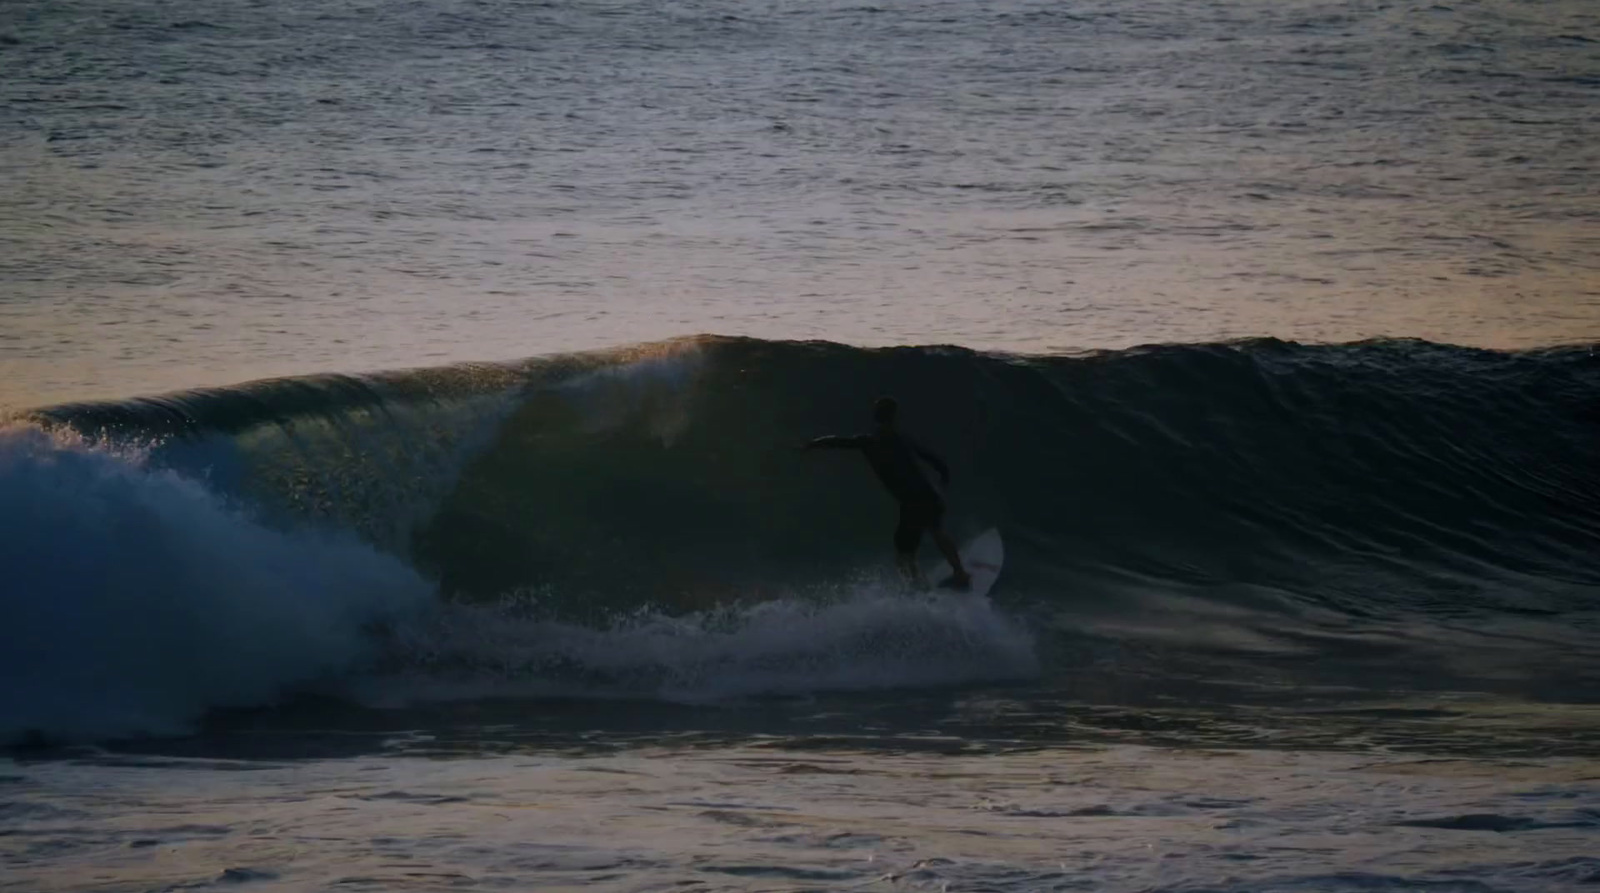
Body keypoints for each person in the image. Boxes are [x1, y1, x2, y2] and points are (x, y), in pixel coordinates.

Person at [803, 396, 971, 590]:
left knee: (903, 554)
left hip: (910, 502)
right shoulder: (904, 437)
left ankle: (920, 590)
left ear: (875, 417)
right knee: (937, 532)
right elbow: (936, 461)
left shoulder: (868, 441)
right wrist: (943, 481)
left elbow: (836, 441)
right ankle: (960, 573)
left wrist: (811, 444)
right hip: (926, 495)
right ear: (894, 417)